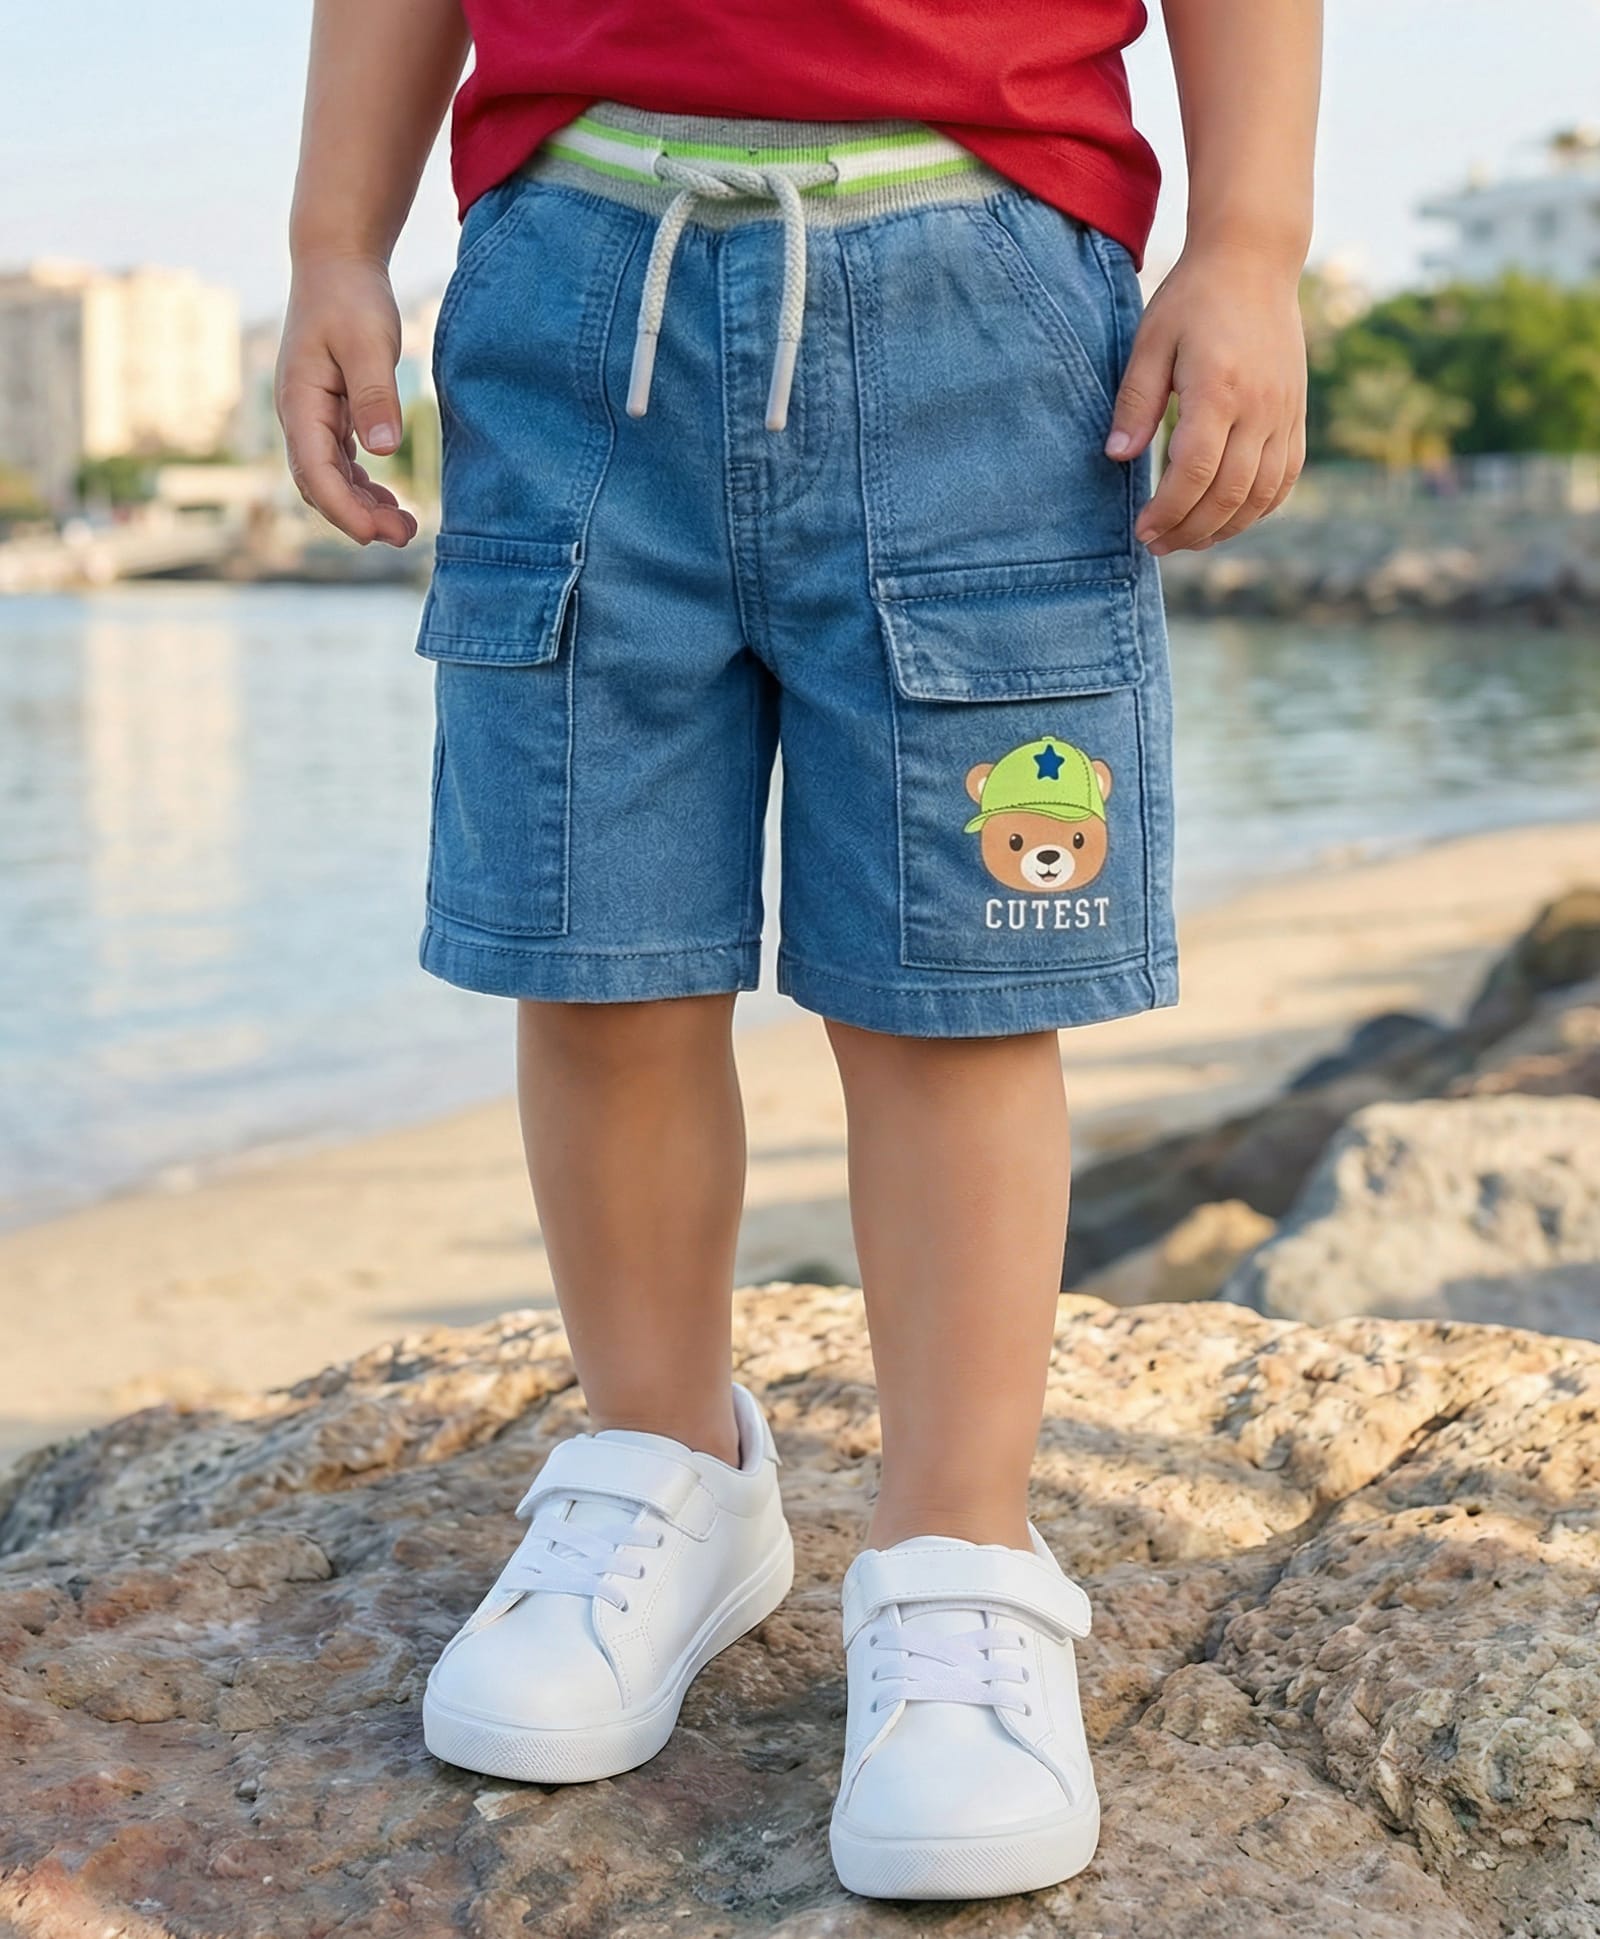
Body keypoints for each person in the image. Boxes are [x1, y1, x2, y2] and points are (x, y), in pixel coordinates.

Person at [278, 0, 1319, 1900]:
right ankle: (667, 1467)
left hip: (984, 293)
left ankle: (957, 1560)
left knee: (955, 988)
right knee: (599, 956)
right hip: (574, 281)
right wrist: (330, 242)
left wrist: (1250, 244)